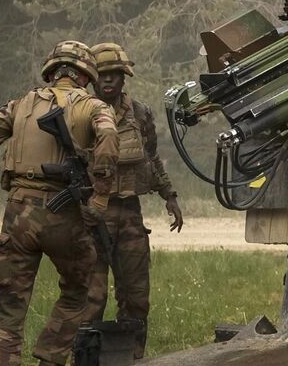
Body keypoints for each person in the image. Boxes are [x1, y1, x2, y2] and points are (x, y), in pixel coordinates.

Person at [0, 39, 118, 366]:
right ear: (86, 76)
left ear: (51, 71)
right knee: (78, 292)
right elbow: (109, 137)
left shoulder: (19, 106)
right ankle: (50, 359)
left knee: (7, 316)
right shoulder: (95, 107)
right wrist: (100, 196)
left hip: (18, 215)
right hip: (65, 217)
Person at [86, 41, 183, 359]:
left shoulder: (139, 113)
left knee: (136, 296)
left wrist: (169, 195)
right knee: (90, 298)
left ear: (123, 77)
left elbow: (151, 157)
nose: (108, 79)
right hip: (92, 216)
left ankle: (132, 357)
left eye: (114, 74)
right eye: (102, 74)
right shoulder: (80, 113)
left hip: (129, 213)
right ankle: (86, 357)